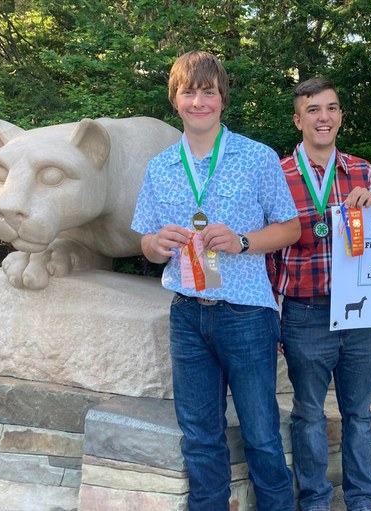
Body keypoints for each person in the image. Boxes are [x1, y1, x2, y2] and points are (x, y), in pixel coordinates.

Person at [131, 50, 300, 511]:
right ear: (175, 99)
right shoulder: (161, 166)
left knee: (262, 434)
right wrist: (156, 243)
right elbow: (144, 243)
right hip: (186, 314)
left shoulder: (257, 157)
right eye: (189, 92)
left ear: (222, 98)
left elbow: (291, 229)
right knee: (200, 434)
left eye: (208, 91)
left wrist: (243, 240)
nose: (199, 101)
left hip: (246, 314)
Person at [268, 76, 371, 511]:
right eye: (313, 110)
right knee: (309, 413)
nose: (323, 117)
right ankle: (315, 498)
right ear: (298, 120)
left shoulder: (364, 171)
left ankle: (361, 497)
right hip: (305, 311)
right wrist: (274, 317)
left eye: (331, 108)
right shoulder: (277, 175)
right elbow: (268, 256)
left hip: (359, 312)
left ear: (340, 117)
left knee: (360, 413)